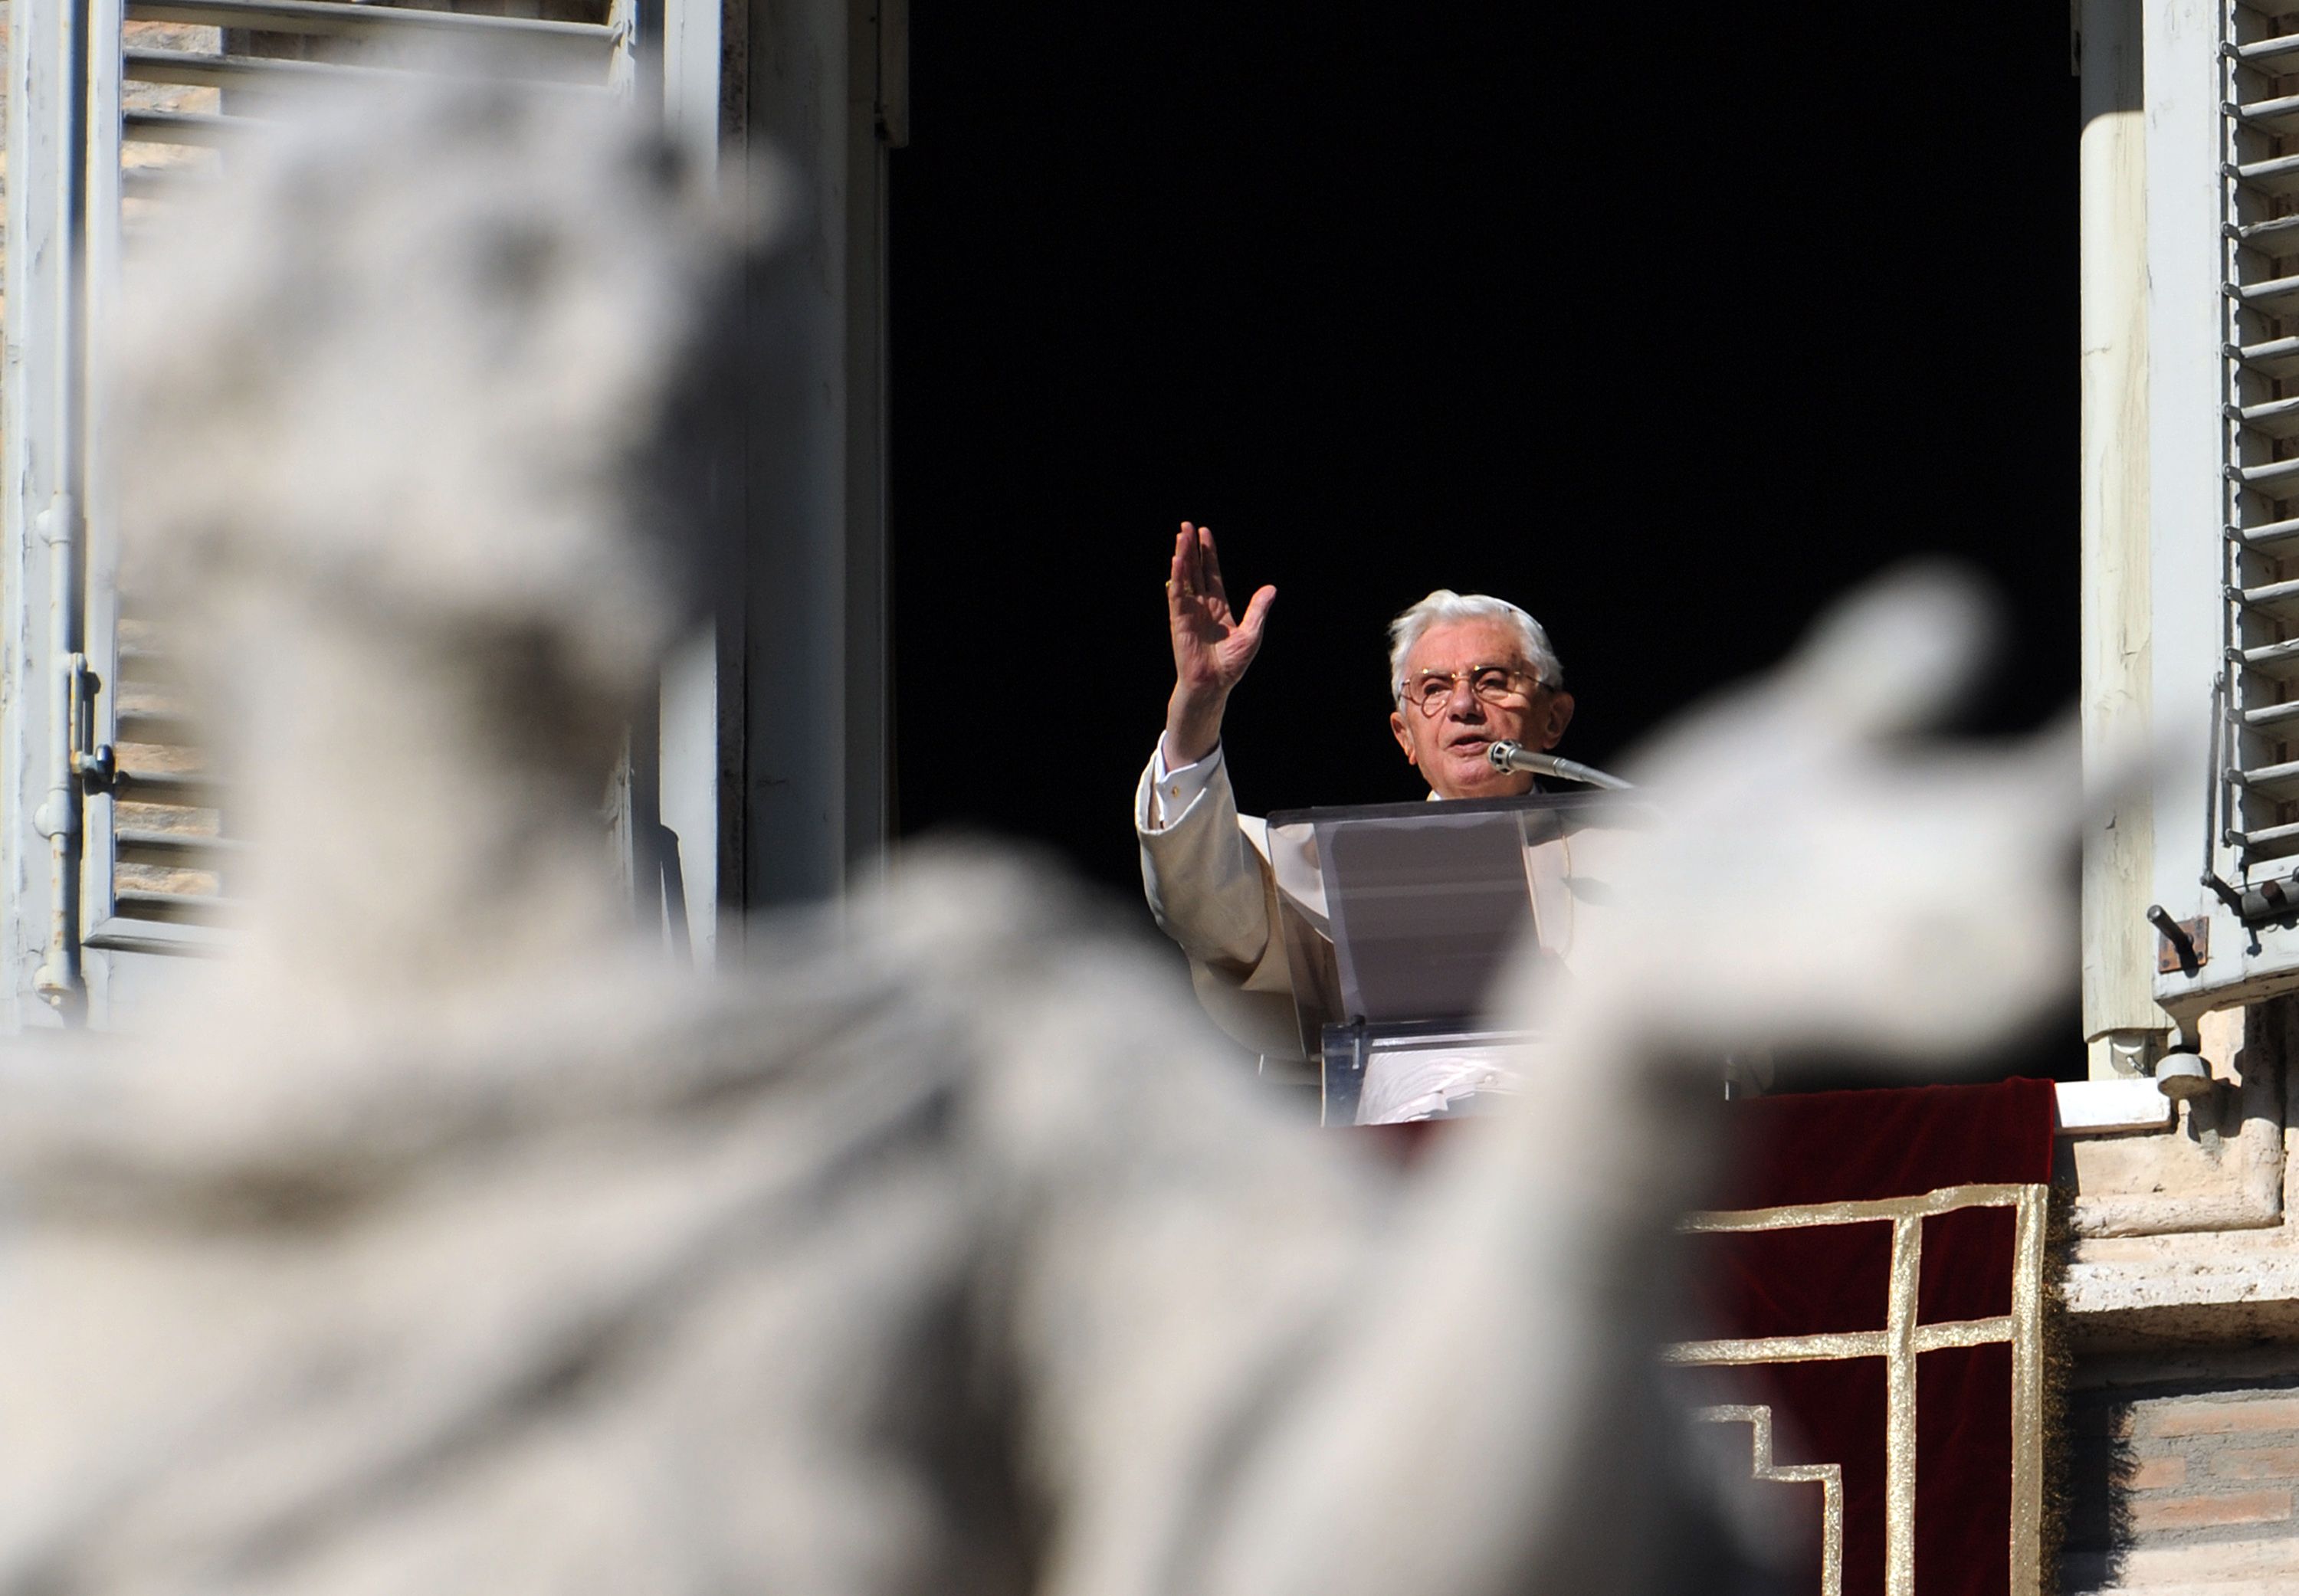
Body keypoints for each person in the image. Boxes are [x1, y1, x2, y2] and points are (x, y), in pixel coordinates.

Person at [1134, 521, 1576, 1065]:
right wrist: (1197, 707)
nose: (1463, 706)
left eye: (1492, 681)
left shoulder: (1632, 850)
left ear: (1553, 720)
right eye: (1434, 689)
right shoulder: (1339, 871)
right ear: (1405, 736)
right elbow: (1206, 902)